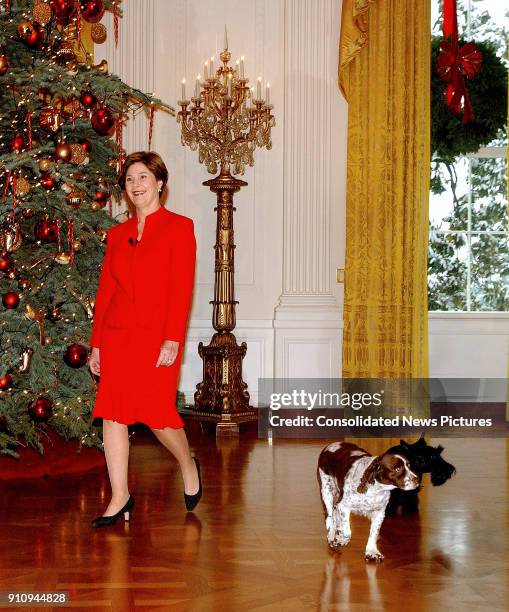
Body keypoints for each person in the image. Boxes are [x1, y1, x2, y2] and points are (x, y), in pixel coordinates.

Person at [87, 151, 202, 527]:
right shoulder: (117, 235)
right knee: (113, 413)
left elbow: (180, 288)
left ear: (159, 183)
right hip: (118, 335)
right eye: (130, 180)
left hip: (156, 338)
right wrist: (97, 343)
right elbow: (106, 292)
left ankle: (187, 463)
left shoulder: (179, 227)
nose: (136, 185)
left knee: (157, 414)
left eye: (142, 178)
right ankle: (120, 495)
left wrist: (173, 339)